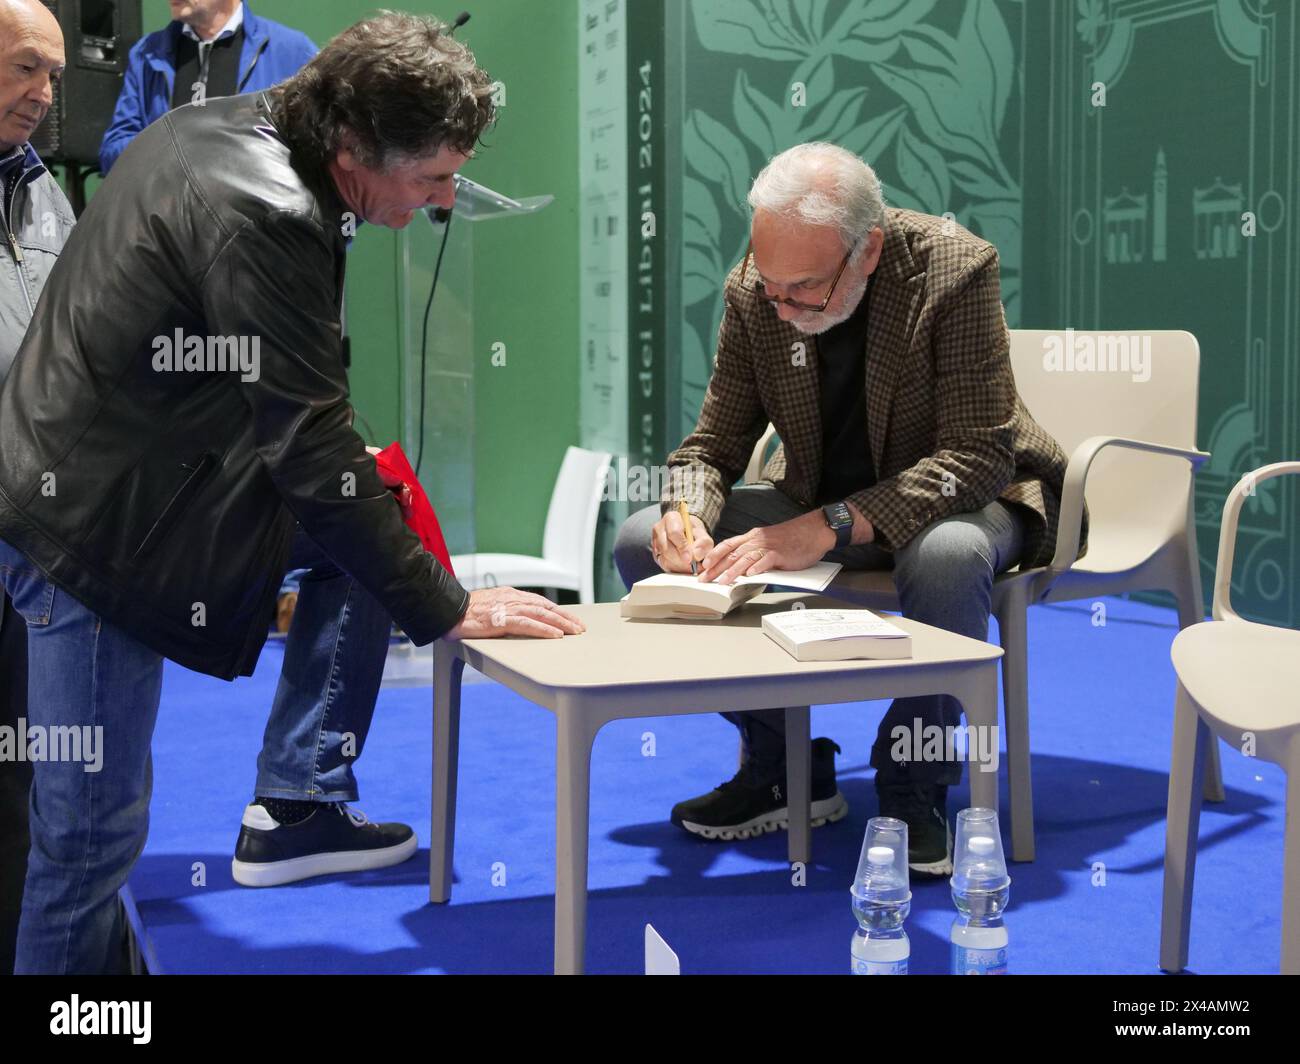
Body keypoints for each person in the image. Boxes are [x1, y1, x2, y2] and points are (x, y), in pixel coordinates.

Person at [0, 12, 584, 975]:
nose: (442, 201)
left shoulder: (222, 125)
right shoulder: (268, 206)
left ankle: (297, 799)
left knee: (370, 525)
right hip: (91, 534)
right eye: (433, 178)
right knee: (89, 839)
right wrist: (446, 605)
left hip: (130, 487)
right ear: (355, 148)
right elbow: (309, 446)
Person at [614, 142, 1084, 875]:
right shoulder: (756, 290)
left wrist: (829, 526)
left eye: (802, 288)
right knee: (642, 537)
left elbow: (975, 455)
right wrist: (688, 511)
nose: (781, 306)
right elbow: (714, 441)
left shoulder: (953, 271)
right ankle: (783, 764)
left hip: (961, 501)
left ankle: (912, 782)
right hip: (816, 499)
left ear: (866, 250)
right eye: (770, 285)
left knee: (947, 556)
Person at [0, 0, 75, 976]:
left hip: (32, 540)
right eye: (25, 68)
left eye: (54, 76)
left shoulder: (48, 194)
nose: (45, 95)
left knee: (26, 778)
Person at [98, 0, 316, 174]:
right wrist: (170, 148)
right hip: (170, 223)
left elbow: (331, 150)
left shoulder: (292, 52)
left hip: (257, 225)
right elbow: (112, 153)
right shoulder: (146, 53)